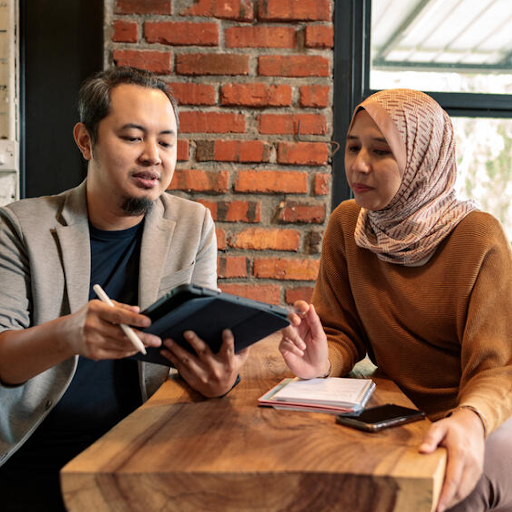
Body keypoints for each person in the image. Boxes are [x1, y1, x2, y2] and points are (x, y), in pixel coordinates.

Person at [0, 66, 249, 511]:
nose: (154, 156)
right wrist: (69, 334)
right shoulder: (19, 226)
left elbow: (204, 348)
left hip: (146, 455)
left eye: (166, 142)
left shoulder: (193, 225)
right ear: (85, 140)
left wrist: (221, 380)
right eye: (133, 137)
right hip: (34, 455)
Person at [279, 89, 512, 512]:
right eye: (352, 147)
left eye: (381, 151)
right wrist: (322, 361)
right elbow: (340, 331)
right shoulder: (348, 224)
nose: (358, 165)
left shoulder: (479, 237)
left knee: (447, 487)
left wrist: (471, 419)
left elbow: (498, 370)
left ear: (424, 158)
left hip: (483, 412)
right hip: (394, 408)